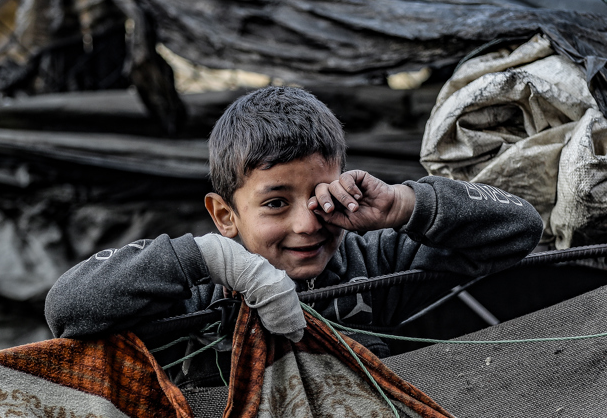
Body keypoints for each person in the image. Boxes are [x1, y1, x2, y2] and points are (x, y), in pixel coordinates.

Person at [45, 86, 543, 387]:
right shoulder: (193, 286)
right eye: (275, 204)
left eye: (322, 195)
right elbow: (65, 308)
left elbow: (520, 228)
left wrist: (401, 205)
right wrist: (210, 260)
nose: (307, 224)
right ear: (224, 216)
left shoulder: (374, 259)